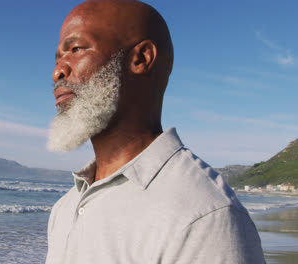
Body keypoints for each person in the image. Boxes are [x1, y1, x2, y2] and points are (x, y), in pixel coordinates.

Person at [46, 0, 265, 263]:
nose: (57, 71)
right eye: (59, 57)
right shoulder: (65, 208)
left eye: (76, 49)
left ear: (141, 59)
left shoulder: (204, 216)